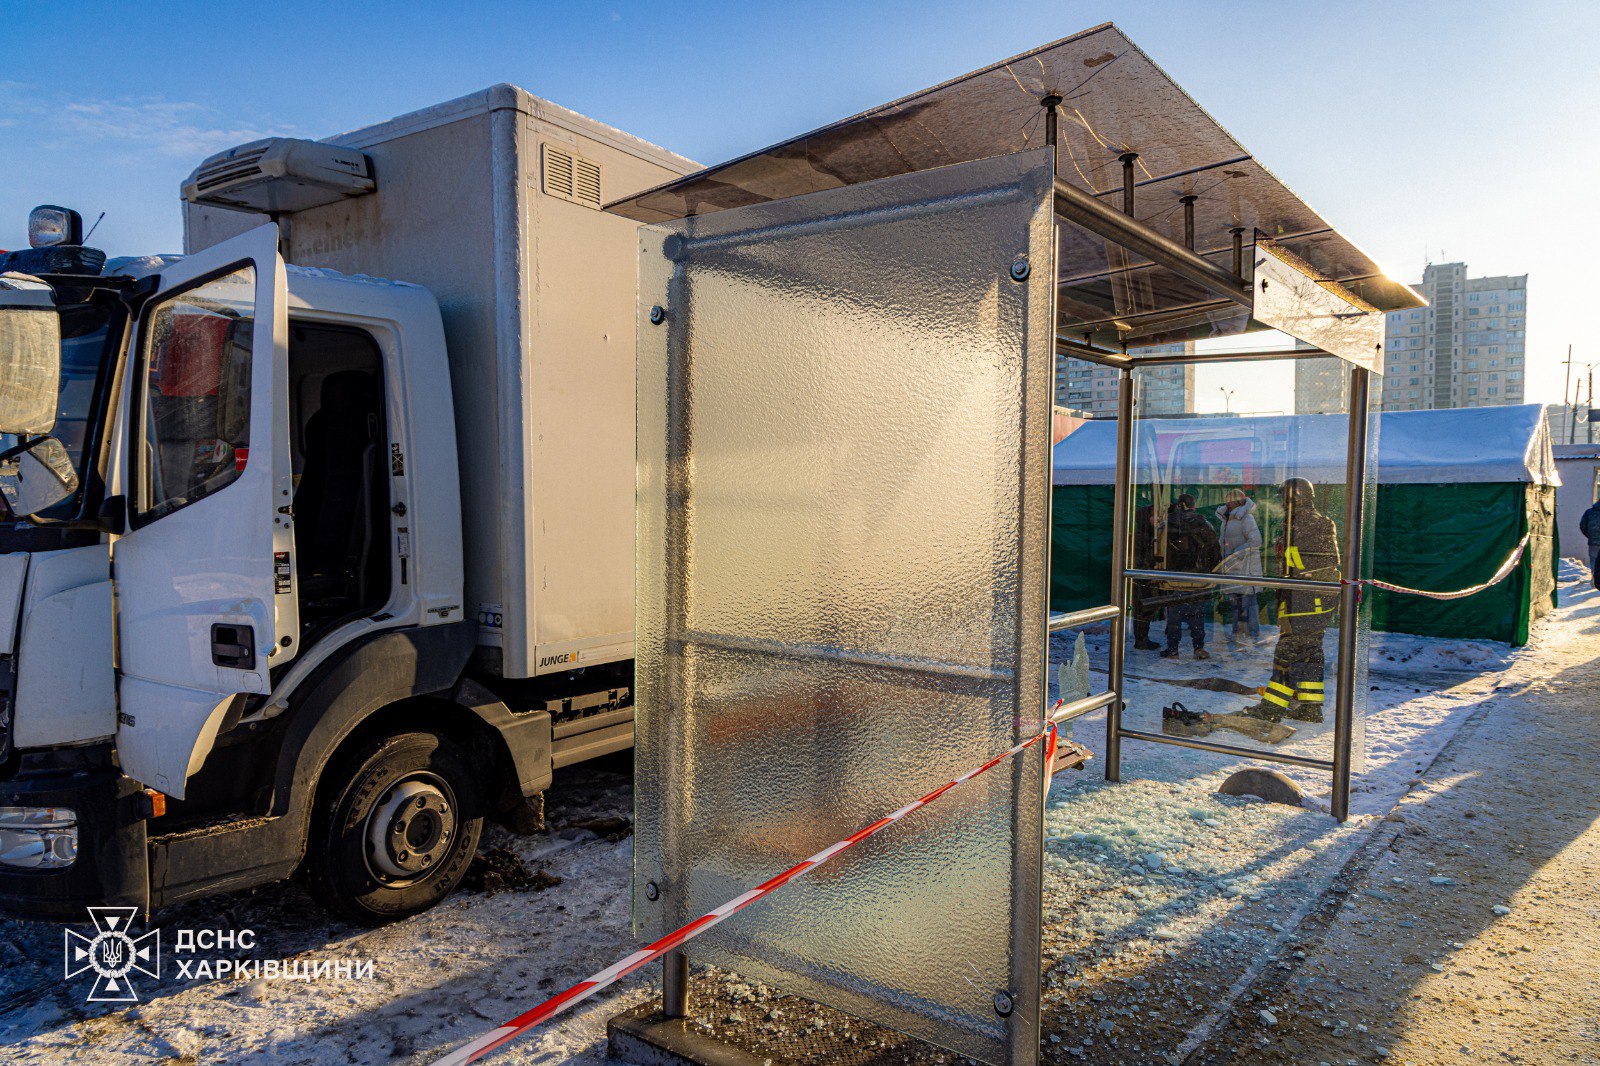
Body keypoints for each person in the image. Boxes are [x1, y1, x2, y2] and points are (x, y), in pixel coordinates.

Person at [1243, 477, 1340, 722]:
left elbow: (1303, 563)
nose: (1280, 504)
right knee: (1310, 655)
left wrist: (1288, 578)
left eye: (1283, 499)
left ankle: (1272, 709)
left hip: (1303, 600)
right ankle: (1310, 707)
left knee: (1286, 655)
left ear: (1292, 498)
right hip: (1314, 602)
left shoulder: (1301, 524)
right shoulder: (1317, 521)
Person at [1158, 493, 1221, 660]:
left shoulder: (1168, 524)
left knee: (1173, 616)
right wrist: (1211, 572)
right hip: (1197, 578)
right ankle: (1198, 648)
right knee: (1197, 615)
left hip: (1173, 578)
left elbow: (1157, 550)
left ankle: (1173, 649)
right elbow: (1215, 552)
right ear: (1193, 506)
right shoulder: (1204, 524)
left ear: (1178, 505)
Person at [1215, 489, 1263, 644]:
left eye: (1230, 500)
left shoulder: (1246, 518)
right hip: (1232, 566)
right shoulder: (1227, 518)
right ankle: (1238, 632)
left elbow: (1256, 541)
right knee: (1236, 601)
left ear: (1237, 501)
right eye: (1227, 499)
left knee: (1248, 601)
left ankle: (1252, 633)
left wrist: (1236, 554)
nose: (1227, 503)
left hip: (1245, 567)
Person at [1130, 503, 1160, 650]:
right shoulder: (1142, 536)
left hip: (1143, 576)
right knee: (1143, 609)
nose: (1157, 519)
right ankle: (1141, 640)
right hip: (1141, 578)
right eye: (1154, 516)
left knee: (1144, 610)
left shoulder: (1147, 534)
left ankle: (1142, 638)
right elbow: (1137, 559)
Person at [1581, 497, 1600, 591]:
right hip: (1594, 541)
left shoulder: (1589, 512)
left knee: (1594, 561)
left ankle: (1594, 578)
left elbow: (1583, 526)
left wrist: (1590, 536)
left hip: (1594, 542)